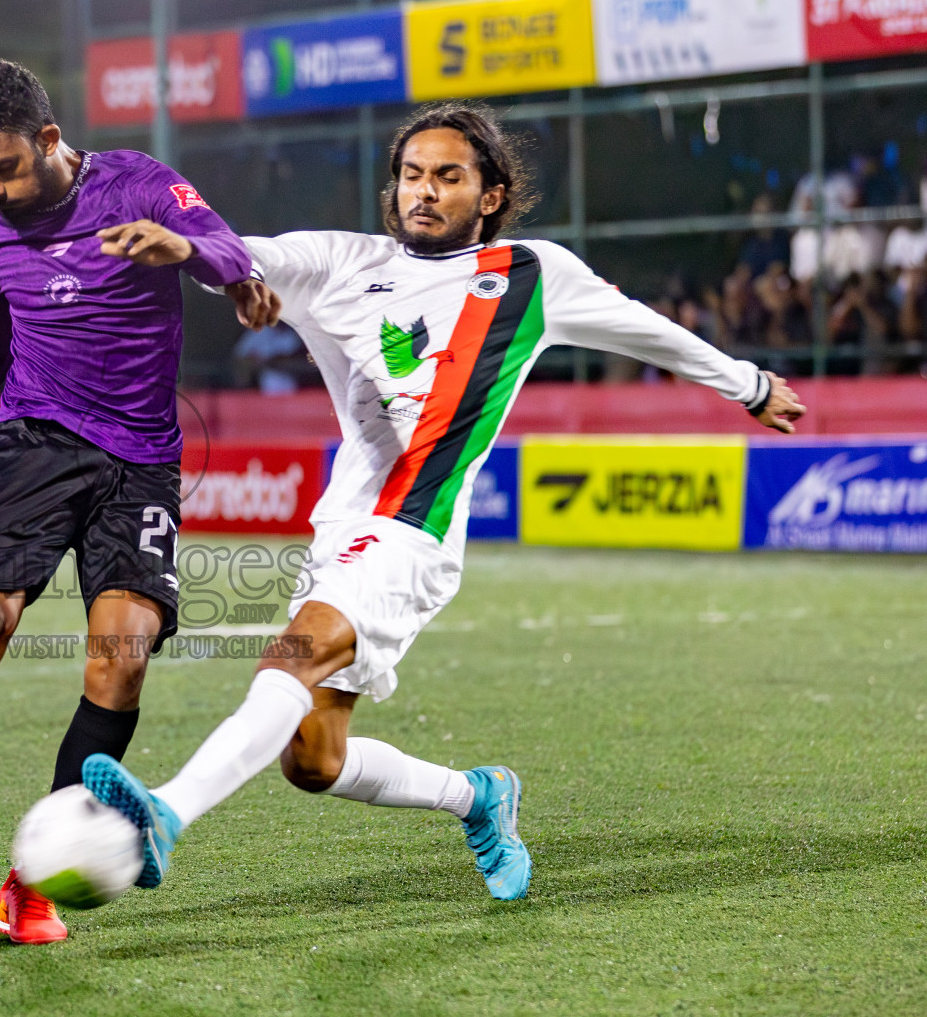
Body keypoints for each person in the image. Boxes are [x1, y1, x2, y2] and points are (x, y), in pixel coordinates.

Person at [80, 101, 806, 902]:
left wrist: (752, 385)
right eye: (411, 176)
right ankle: (479, 797)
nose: (423, 192)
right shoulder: (343, 261)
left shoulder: (532, 275)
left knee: (294, 653)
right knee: (313, 760)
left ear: (489, 195)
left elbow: (650, 333)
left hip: (415, 529)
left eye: (448, 178)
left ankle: (167, 814)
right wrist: (185, 246)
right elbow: (243, 254)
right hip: (342, 529)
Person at [0, 60, 254, 944]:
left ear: (50, 140)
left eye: (3, 169)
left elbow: (229, 250)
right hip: (33, 447)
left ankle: (30, 880)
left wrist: (184, 251)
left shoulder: (139, 185)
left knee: (122, 657)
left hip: (140, 464)